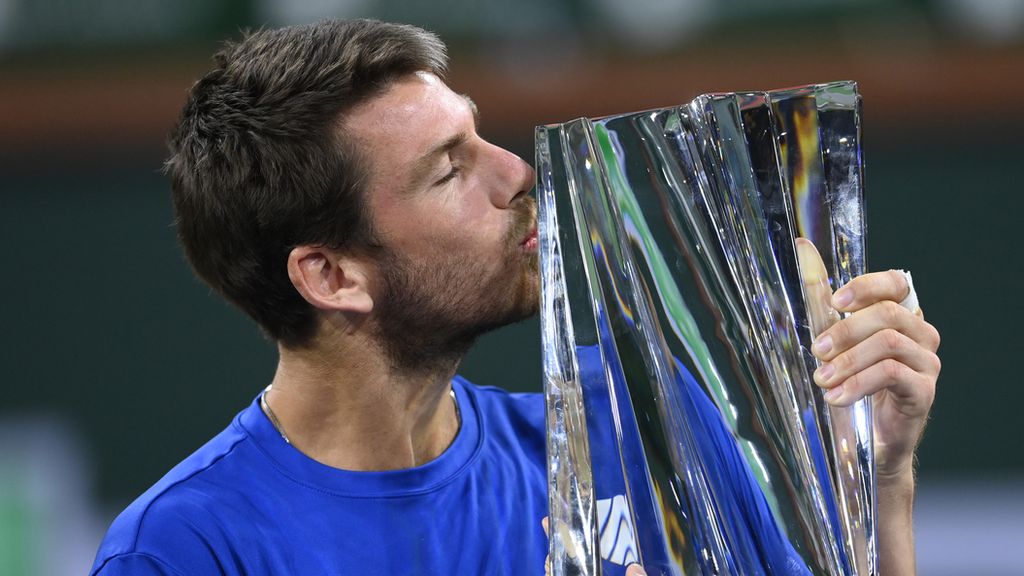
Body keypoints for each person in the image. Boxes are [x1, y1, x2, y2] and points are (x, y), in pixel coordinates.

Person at [89, 19, 941, 575]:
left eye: (479, 133)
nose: (515, 172)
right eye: (448, 170)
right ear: (332, 276)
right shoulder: (184, 547)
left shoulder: (637, 425)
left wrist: (879, 478)